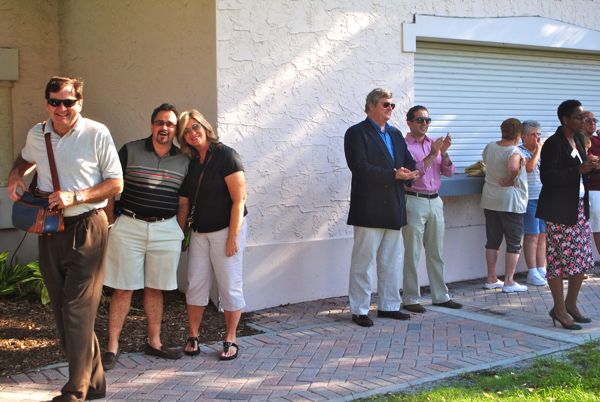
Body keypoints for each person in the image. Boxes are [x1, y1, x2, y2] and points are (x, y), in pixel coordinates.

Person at [7, 76, 123, 402]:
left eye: (68, 102)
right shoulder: (37, 133)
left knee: (76, 309)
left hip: (88, 227)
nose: (62, 108)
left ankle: (76, 390)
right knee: (63, 309)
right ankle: (96, 382)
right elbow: (25, 159)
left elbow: (116, 184)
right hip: (50, 229)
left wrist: (78, 196)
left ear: (80, 103)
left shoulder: (96, 133)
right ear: (47, 103)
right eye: (55, 101)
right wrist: (16, 175)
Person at [101, 103, 189, 370]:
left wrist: (179, 232)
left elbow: (183, 202)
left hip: (166, 229)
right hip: (129, 226)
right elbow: (111, 186)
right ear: (152, 125)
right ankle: (112, 348)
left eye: (170, 124)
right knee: (122, 287)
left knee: (155, 288)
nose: (164, 128)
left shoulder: (184, 160)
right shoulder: (130, 150)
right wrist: (111, 220)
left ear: (175, 129)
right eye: (160, 122)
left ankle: (154, 342)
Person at [344, 88, 420, 327]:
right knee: (363, 262)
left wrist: (408, 173)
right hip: (369, 207)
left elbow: (407, 161)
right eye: (386, 104)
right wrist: (392, 174)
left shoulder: (396, 134)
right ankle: (359, 310)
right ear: (372, 105)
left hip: (394, 207)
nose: (390, 109)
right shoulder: (356, 133)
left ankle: (388, 306)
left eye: (392, 105)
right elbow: (360, 167)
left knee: (391, 260)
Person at [177, 109, 248, 360]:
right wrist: (181, 233)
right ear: (182, 138)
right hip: (199, 232)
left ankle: (230, 337)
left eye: (195, 127)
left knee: (229, 284)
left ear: (205, 127)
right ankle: (193, 335)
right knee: (195, 283)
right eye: (186, 131)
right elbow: (185, 202)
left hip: (227, 229)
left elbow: (239, 200)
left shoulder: (226, 155)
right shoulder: (193, 162)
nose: (192, 133)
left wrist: (232, 238)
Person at [537, 100, 598, 330]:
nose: (583, 121)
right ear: (565, 119)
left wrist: (591, 166)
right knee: (559, 262)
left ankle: (571, 303)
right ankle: (559, 309)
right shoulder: (553, 143)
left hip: (578, 208)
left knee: (582, 260)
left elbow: (580, 172)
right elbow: (548, 177)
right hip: (559, 211)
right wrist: (579, 170)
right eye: (579, 117)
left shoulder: (579, 140)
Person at [401, 105, 462, 313]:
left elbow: (450, 172)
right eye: (420, 120)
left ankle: (440, 295)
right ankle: (410, 298)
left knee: (436, 251)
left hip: (435, 200)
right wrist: (433, 154)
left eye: (428, 120)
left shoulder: (433, 143)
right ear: (409, 122)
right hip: (414, 200)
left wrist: (443, 154)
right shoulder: (403, 146)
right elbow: (411, 174)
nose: (425, 124)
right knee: (413, 252)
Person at [480, 118, 528, 293]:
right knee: (514, 241)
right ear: (519, 134)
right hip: (510, 201)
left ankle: (491, 278)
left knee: (493, 240)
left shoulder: (491, 146)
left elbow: (485, 160)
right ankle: (509, 281)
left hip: (490, 198)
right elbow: (514, 167)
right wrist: (511, 179)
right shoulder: (514, 151)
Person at [517, 120, 547, 286]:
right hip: (529, 198)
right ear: (523, 136)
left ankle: (542, 268)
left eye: (539, 134)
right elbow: (529, 168)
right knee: (532, 236)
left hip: (543, 197)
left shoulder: (540, 151)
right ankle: (532, 271)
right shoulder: (519, 151)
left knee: (543, 235)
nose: (537, 138)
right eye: (533, 134)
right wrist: (538, 151)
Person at [583, 111, 600, 256]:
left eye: (595, 120)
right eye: (589, 120)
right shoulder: (576, 140)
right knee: (597, 226)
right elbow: (590, 163)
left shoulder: (597, 140)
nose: (593, 123)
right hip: (592, 189)